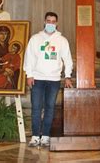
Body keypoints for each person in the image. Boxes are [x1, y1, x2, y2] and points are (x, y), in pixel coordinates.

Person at [24, 12, 73, 147]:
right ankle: (35, 136)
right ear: (44, 22)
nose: (50, 23)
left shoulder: (62, 40)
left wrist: (67, 76)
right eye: (48, 21)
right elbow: (29, 57)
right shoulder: (35, 38)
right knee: (36, 108)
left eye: (53, 21)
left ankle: (45, 135)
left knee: (50, 107)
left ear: (56, 23)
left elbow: (67, 59)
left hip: (54, 79)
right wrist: (29, 74)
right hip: (37, 78)